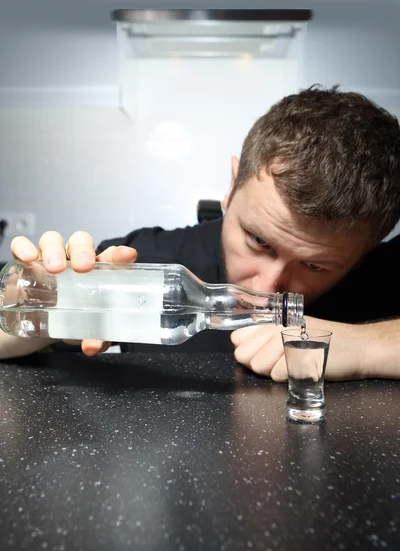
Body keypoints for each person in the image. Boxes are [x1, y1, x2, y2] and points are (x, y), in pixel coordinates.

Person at [1, 85, 400, 381]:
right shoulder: (146, 259)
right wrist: (30, 313)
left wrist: (365, 347)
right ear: (231, 187)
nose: (268, 284)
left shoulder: (380, 276)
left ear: (364, 253)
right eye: (258, 241)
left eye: (314, 265)